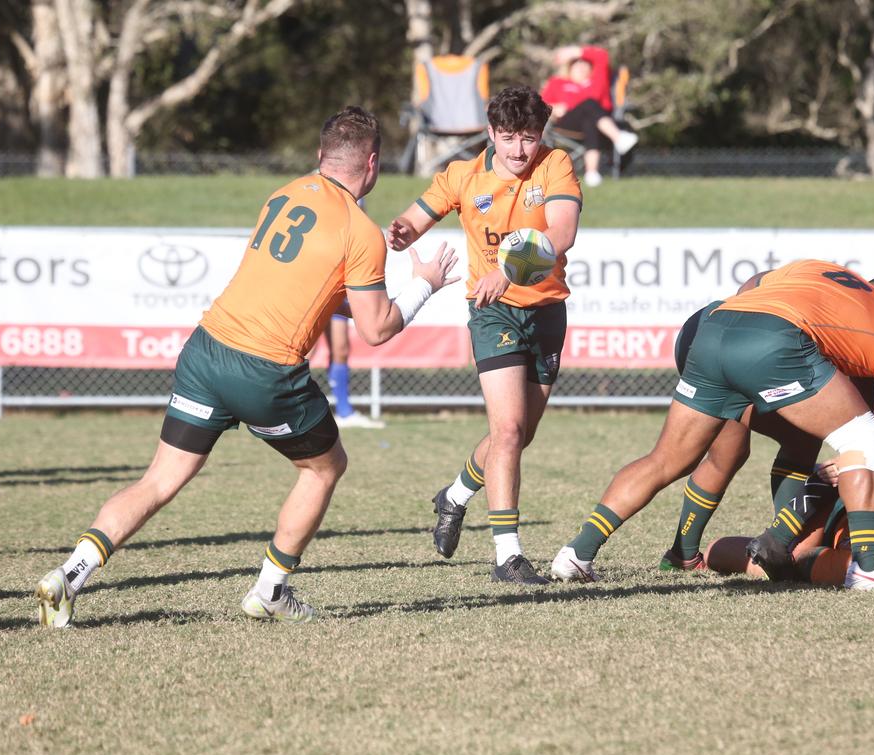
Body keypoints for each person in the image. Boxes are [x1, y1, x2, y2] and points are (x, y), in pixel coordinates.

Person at [34, 106, 458, 627]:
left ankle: (68, 575)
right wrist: (426, 285)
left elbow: (309, 285)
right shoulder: (360, 230)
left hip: (206, 350)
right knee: (325, 467)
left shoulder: (283, 194)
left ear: (319, 156)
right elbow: (377, 330)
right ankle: (270, 591)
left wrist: (364, 293)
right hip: (264, 370)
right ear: (372, 165)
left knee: (159, 480)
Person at [550, 258, 874, 591]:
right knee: (864, 435)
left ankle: (577, 553)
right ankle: (869, 569)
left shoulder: (822, 270)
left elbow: (753, 284)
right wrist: (852, 463)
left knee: (668, 459)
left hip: (713, 326)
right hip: (772, 341)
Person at [387, 85, 581, 585]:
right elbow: (413, 218)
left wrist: (512, 271)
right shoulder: (461, 175)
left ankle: (453, 495)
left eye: (530, 138)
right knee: (510, 431)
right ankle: (507, 556)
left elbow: (562, 234)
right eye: (510, 138)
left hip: (546, 312)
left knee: (515, 435)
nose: (520, 150)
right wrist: (401, 232)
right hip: (491, 311)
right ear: (491, 133)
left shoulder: (554, 164)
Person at [660, 264, 874, 574]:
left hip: (728, 336)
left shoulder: (864, 316)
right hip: (724, 339)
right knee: (730, 452)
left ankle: (765, 538)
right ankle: (690, 552)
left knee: (801, 442)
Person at [704, 468, 874, 588]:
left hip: (817, 515)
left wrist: (816, 489)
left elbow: (798, 558)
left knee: (719, 552)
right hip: (851, 486)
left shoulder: (859, 565)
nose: (870, 526)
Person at [540, 44, 638, 188]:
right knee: (589, 104)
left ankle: (592, 173)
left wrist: (574, 51)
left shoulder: (598, 80)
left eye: (584, 64)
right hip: (568, 123)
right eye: (576, 64)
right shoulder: (558, 83)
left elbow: (602, 56)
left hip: (597, 124)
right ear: (569, 67)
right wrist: (553, 108)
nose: (580, 67)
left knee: (590, 117)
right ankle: (618, 137)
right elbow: (540, 105)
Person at [325, 306, 385, 429]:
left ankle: (344, 412)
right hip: (312, 294)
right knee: (306, 350)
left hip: (337, 296)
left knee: (341, 350)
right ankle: (293, 407)